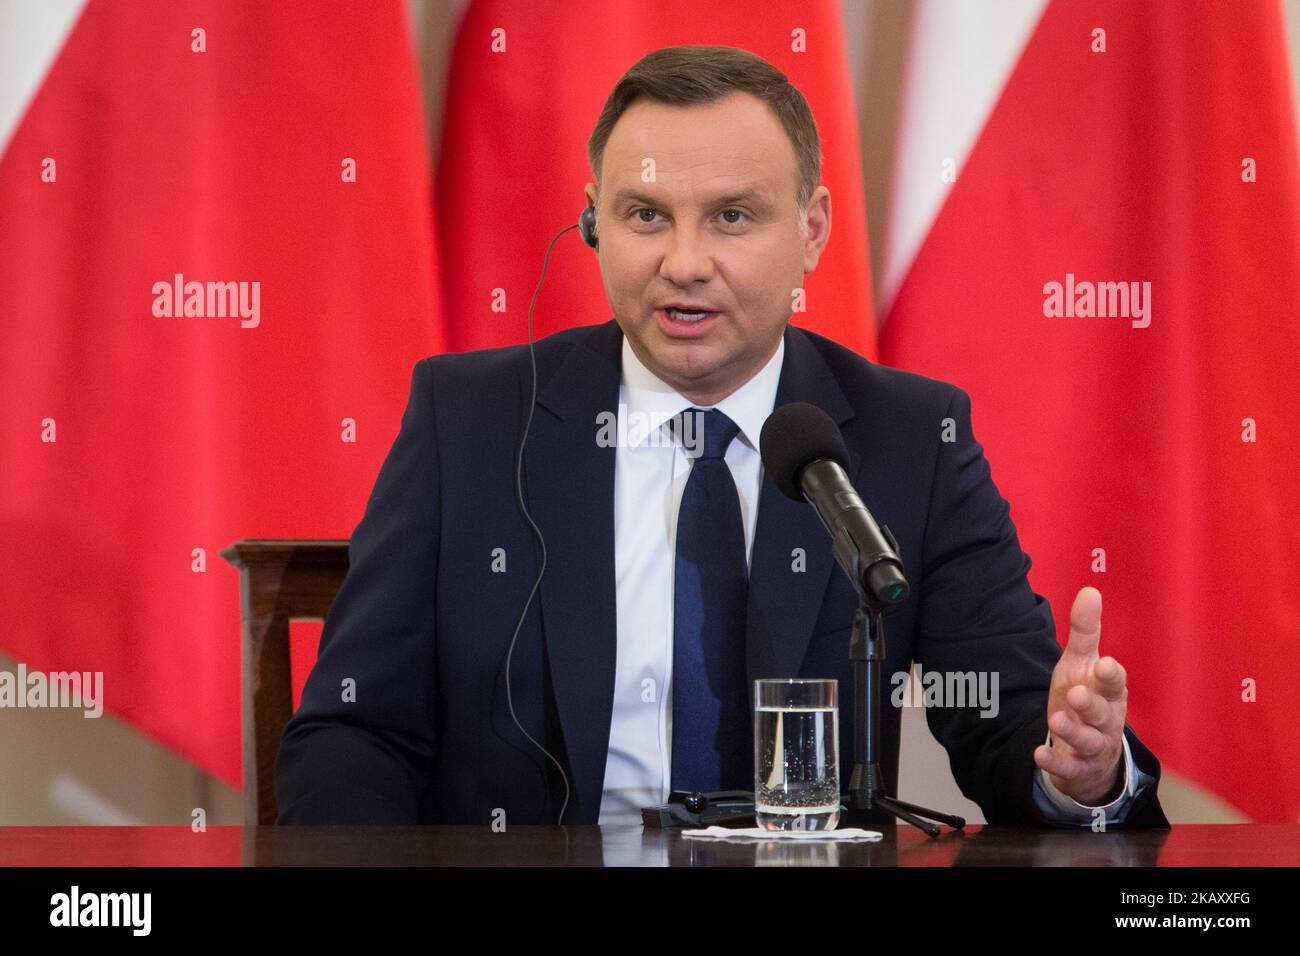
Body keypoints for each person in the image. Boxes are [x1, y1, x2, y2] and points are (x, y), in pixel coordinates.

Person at [276, 45, 1168, 829]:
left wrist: (1085, 773)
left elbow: (1011, 723)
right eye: (645, 215)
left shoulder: (910, 438)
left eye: (732, 217)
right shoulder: (468, 420)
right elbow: (354, 735)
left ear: (812, 230)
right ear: (594, 221)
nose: (684, 263)